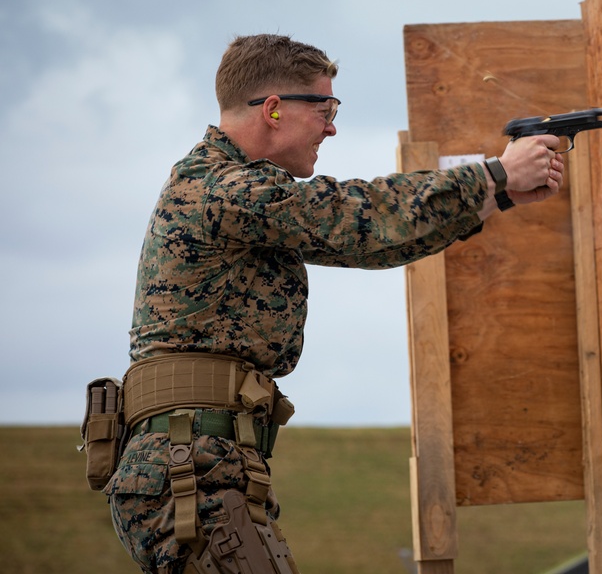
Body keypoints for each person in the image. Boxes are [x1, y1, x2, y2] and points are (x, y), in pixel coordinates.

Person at [105, 34, 563, 574]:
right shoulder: (221, 189)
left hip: (203, 464)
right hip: (190, 468)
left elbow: (371, 241)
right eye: (325, 108)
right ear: (273, 109)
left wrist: (495, 195)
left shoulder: (230, 189)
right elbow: (353, 217)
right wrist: (494, 175)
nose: (332, 126)